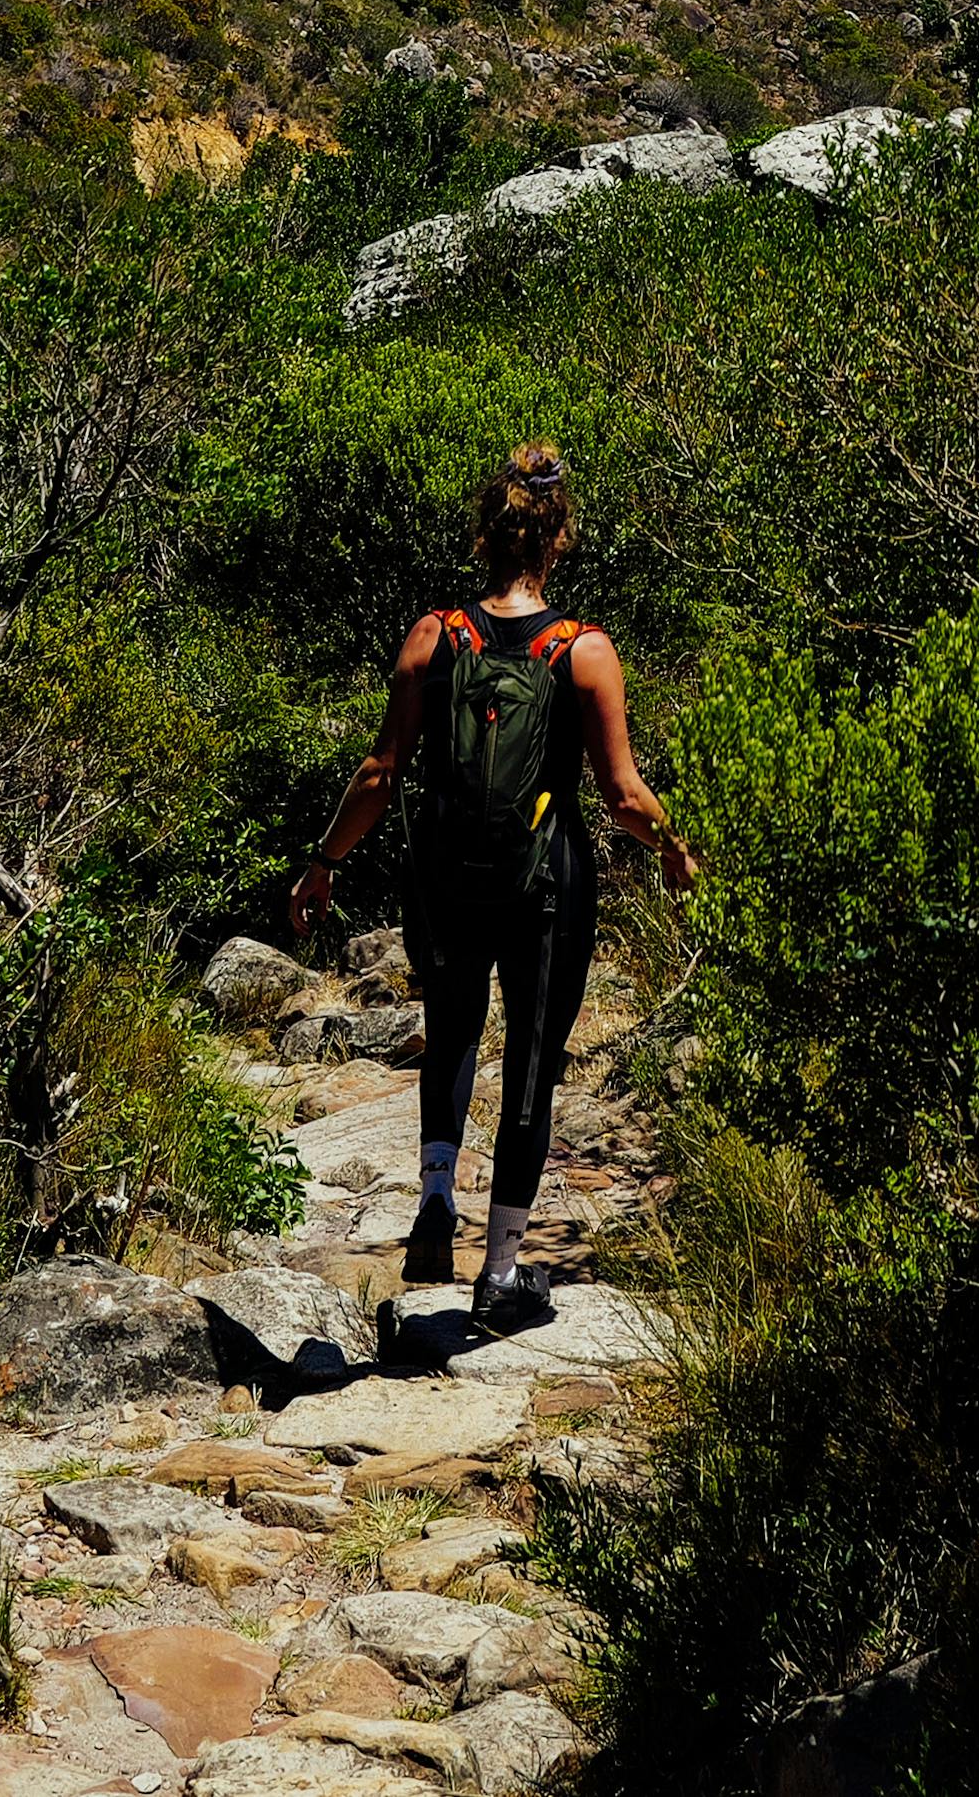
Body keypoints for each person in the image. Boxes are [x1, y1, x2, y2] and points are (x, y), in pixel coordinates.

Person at [284, 435, 700, 1312]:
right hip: (545, 887)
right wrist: (675, 848)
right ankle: (502, 1272)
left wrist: (324, 863)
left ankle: (435, 1197)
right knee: (533, 1064)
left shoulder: (437, 638)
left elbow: (378, 774)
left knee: (454, 1034)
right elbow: (624, 794)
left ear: (485, 535)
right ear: (558, 542)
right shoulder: (582, 650)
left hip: (445, 883)